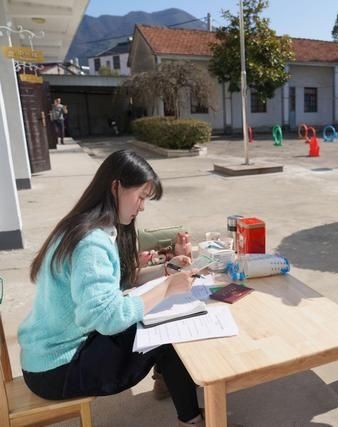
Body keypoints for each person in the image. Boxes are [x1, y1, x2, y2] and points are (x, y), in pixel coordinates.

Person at [18, 150, 205, 427]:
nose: (142, 206)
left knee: (155, 318)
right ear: (116, 186)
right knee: (165, 329)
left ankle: (170, 383)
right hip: (58, 369)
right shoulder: (91, 241)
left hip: (47, 357)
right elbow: (107, 318)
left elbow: (114, 287)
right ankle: (190, 418)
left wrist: (166, 271)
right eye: (140, 196)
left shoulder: (82, 225)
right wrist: (167, 288)